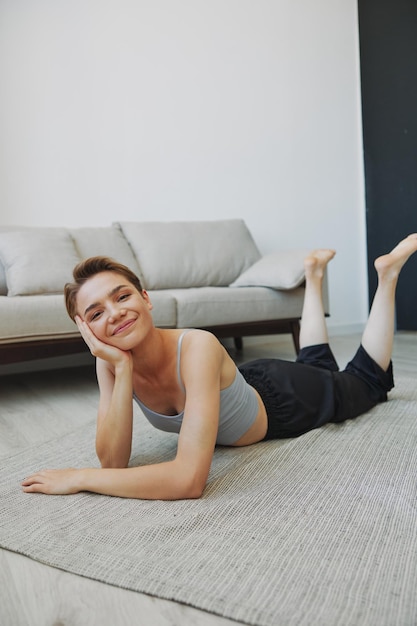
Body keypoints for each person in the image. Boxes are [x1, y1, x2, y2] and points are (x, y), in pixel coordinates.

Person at [22, 234, 417, 500]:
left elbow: (189, 480)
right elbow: (114, 461)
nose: (115, 313)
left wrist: (79, 477)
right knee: (315, 362)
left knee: (364, 383)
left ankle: (388, 274)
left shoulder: (197, 346)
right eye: (95, 314)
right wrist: (121, 371)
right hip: (244, 381)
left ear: (145, 298)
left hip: (284, 401)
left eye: (122, 295)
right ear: (86, 330)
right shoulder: (110, 363)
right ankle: (312, 276)